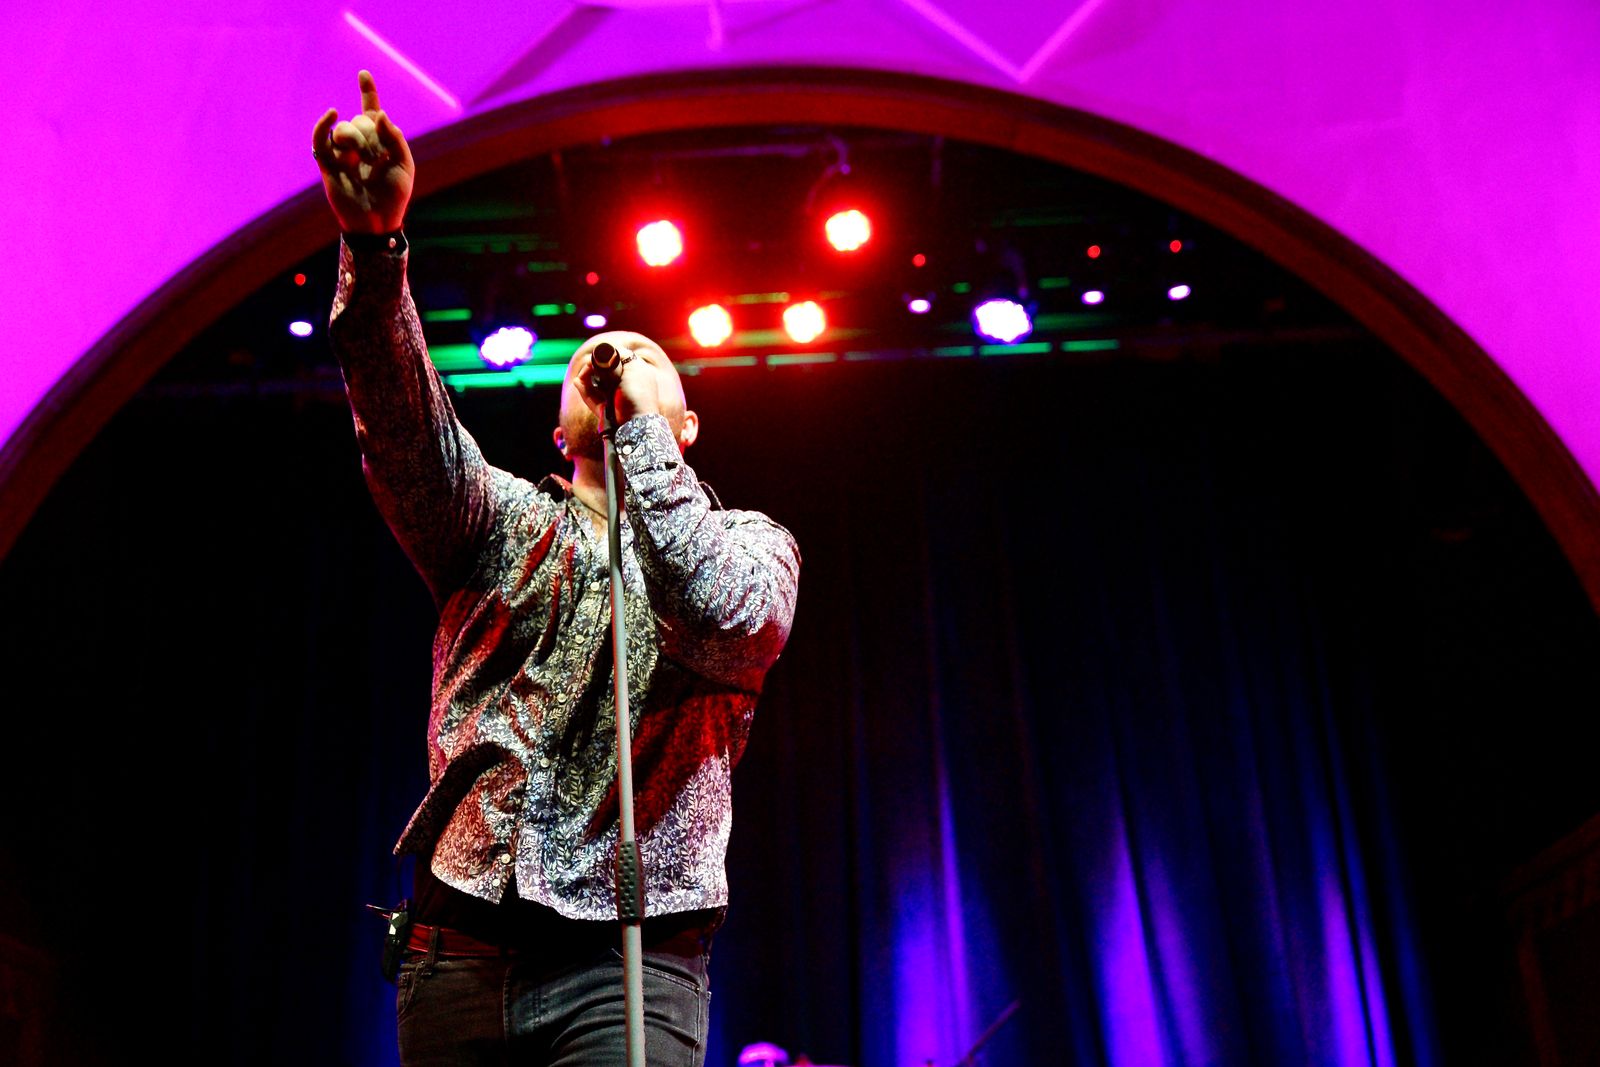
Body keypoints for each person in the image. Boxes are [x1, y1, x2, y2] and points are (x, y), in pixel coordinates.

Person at [312, 71, 801, 1066]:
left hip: (629, 965)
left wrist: (642, 447)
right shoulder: (498, 519)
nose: (611, 356)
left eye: (641, 355)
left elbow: (717, 611)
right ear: (556, 424)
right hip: (459, 951)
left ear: (687, 427)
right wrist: (375, 247)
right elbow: (401, 428)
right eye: (593, 358)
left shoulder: (756, 541)